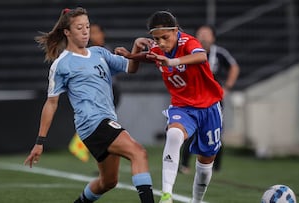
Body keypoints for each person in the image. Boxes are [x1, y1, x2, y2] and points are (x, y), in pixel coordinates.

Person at [23, 7, 155, 203]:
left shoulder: (99, 52)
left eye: (87, 26)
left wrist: (135, 48)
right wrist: (39, 142)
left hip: (104, 121)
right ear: (67, 32)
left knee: (108, 181)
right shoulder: (62, 64)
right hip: (92, 122)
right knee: (138, 152)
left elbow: (131, 67)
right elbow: (51, 104)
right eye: (79, 27)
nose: (85, 31)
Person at [115, 10, 224, 203]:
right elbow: (149, 57)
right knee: (173, 135)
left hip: (209, 107)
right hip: (182, 107)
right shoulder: (158, 49)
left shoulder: (188, 42)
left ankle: (196, 201)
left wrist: (172, 61)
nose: (161, 43)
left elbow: (201, 57)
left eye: (165, 37)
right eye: (157, 39)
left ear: (175, 31)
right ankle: (166, 196)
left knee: (206, 161)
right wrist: (131, 55)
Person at [179, 24, 240, 174]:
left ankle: (216, 167)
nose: (204, 37)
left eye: (207, 34)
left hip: (213, 99)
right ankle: (184, 165)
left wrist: (227, 87)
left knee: (216, 132)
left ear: (213, 37)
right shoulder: (189, 51)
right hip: (193, 98)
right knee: (189, 131)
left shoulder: (219, 53)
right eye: (201, 33)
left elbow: (234, 67)